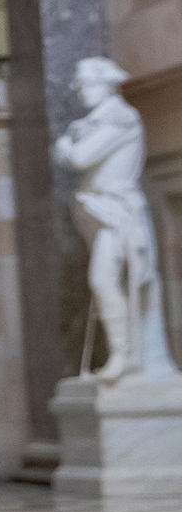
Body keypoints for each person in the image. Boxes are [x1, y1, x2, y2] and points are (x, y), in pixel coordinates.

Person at [54, 56, 177, 381]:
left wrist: (66, 143)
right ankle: (123, 355)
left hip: (119, 214)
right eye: (78, 86)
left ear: (105, 84)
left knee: (105, 280)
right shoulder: (97, 121)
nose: (80, 91)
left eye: (85, 84)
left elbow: (80, 157)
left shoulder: (121, 118)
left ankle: (125, 357)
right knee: (108, 281)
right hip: (103, 211)